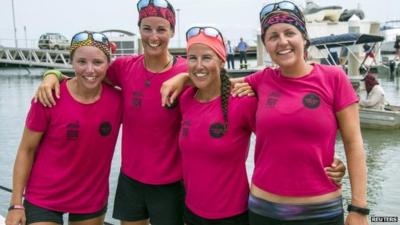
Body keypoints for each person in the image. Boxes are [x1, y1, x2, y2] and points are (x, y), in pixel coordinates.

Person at [161, 1, 368, 225]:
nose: (282, 42)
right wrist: (183, 77)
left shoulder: (333, 78)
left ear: (304, 37)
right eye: (273, 36)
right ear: (266, 44)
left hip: (321, 210)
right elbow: (215, 82)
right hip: (264, 210)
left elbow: (353, 142)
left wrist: (359, 207)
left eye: (290, 33)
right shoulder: (262, 80)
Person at [34, 1, 186, 225]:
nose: (153, 36)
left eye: (161, 29)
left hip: (170, 183)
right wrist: (52, 74)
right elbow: (87, 75)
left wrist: (186, 77)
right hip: (130, 180)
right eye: (147, 28)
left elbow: (217, 83)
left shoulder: (185, 71)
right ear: (139, 29)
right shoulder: (124, 68)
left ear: (172, 31)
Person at [5, 31, 122, 225]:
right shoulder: (49, 97)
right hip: (44, 197)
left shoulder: (118, 100)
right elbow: (27, 150)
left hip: (90, 199)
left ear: (108, 64)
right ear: (71, 62)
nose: (90, 70)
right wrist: (16, 203)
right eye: (81, 62)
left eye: (98, 63)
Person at [180, 26, 257, 225]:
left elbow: (277, 143)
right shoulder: (185, 99)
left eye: (206, 58)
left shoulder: (242, 101)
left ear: (222, 60)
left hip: (233, 215)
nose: (198, 65)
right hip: (191, 211)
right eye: (192, 58)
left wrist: (326, 163)